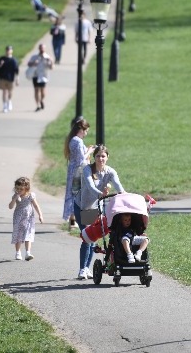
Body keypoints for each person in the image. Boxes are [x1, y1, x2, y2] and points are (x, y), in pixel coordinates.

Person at [75, 145, 125, 280]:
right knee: (87, 237)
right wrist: (101, 195)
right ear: (94, 157)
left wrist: (125, 196)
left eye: (103, 156)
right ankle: (82, 269)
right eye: (98, 156)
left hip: (96, 207)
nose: (100, 159)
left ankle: (87, 267)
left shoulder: (110, 172)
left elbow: (119, 186)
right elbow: (91, 188)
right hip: (83, 206)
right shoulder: (87, 170)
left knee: (93, 237)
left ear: (107, 157)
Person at [64, 118, 96, 229]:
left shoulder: (73, 140)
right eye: (86, 130)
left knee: (74, 194)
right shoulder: (77, 141)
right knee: (76, 194)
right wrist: (90, 151)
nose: (86, 133)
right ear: (81, 129)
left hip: (74, 170)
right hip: (77, 171)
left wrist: (86, 150)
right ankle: (74, 219)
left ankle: (72, 220)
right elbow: (80, 159)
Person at [8, 177, 44, 261]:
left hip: (29, 218)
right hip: (18, 218)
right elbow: (10, 207)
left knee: (28, 234)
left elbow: (35, 205)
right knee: (18, 234)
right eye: (17, 188)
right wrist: (14, 199)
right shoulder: (16, 196)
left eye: (21, 189)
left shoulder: (31, 195)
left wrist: (40, 215)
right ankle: (18, 252)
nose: (19, 190)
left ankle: (28, 253)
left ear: (26, 188)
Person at [27, 44, 53, 112]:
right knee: (36, 90)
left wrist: (51, 62)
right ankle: (37, 105)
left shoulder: (47, 57)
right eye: (40, 48)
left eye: (43, 48)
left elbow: (51, 67)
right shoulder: (34, 57)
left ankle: (41, 100)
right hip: (35, 75)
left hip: (43, 76)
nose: (41, 50)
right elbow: (29, 64)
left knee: (43, 91)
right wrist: (33, 63)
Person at [0, 46, 19, 113]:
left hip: (11, 78)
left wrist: (17, 79)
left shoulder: (14, 60)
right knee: (4, 92)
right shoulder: (2, 59)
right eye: (7, 50)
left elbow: (16, 70)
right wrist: (1, 65)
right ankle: (4, 105)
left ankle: (9, 101)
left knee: (10, 92)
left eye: (9, 50)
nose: (8, 51)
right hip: (3, 78)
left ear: (12, 51)